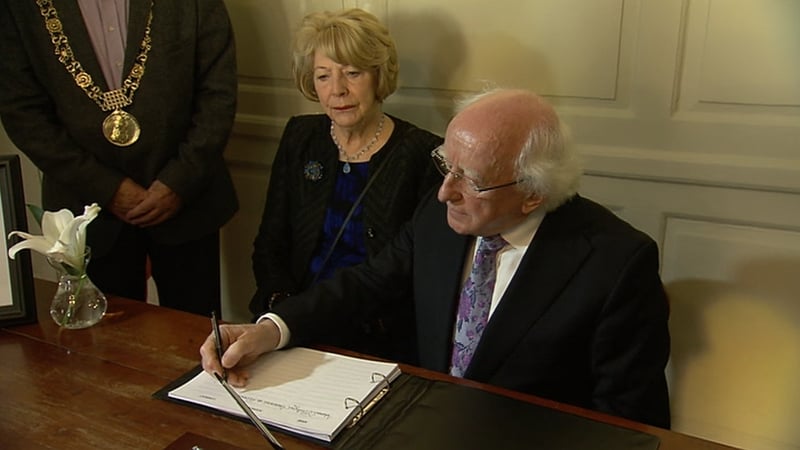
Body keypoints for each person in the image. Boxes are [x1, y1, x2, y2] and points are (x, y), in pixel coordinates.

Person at [201, 88, 671, 428]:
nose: (446, 191)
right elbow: (367, 285)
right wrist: (270, 329)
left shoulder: (615, 264)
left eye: (471, 180)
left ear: (532, 193)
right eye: (446, 165)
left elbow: (628, 423)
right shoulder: (439, 214)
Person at [0, 0, 238, 316]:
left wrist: (178, 181)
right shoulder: (17, 8)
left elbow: (218, 95)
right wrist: (108, 189)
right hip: (86, 214)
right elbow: (22, 114)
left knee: (198, 348)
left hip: (188, 202)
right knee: (105, 353)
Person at [249, 9, 442, 359]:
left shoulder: (421, 153)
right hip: (295, 322)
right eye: (323, 76)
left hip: (377, 335)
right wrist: (282, 305)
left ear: (379, 76)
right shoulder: (300, 136)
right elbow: (270, 242)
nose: (337, 90)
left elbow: (409, 270)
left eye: (352, 73)